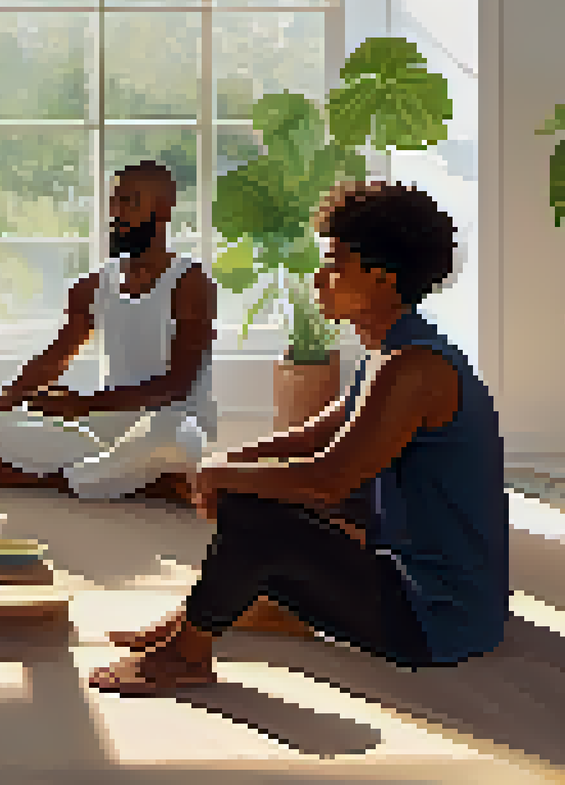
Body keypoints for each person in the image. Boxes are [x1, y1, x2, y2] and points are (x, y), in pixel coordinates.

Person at [86, 182, 508, 695]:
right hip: (411, 584)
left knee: (256, 511)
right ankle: (221, 611)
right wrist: (226, 460)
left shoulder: (412, 368)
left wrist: (222, 476)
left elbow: (329, 479)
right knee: (254, 489)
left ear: (381, 277)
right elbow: (321, 431)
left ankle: (185, 656)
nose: (321, 277)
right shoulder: (392, 349)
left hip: (434, 617)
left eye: (336, 263)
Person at [0, 161, 217, 503]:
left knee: (171, 438)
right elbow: (54, 359)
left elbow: (178, 385)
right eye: (114, 201)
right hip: (107, 422)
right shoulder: (93, 286)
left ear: (163, 208)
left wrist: (82, 405)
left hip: (170, 421)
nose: (116, 212)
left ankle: (50, 480)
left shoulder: (191, 283)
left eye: (129, 202)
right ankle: (134, 478)